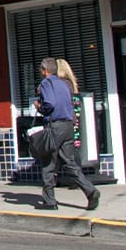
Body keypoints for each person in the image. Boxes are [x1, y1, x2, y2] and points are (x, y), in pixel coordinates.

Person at [34, 56, 100, 211]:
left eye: (41, 70)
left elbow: (49, 104)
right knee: (69, 163)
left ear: (45, 71)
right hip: (68, 125)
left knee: (48, 163)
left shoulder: (46, 83)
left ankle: (50, 201)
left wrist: (39, 107)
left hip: (55, 126)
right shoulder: (65, 84)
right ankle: (90, 191)